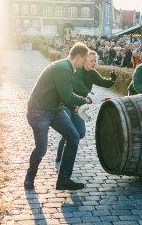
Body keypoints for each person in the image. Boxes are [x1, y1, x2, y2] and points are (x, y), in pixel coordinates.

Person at [25, 42, 93, 191]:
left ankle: (63, 179)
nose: (85, 62)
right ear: (78, 57)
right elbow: (68, 97)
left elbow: (64, 96)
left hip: (54, 109)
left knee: (74, 137)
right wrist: (85, 100)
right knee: (41, 149)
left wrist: (76, 106)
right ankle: (29, 178)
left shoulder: (66, 67)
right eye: (85, 59)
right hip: (39, 111)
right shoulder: (63, 68)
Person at [54, 51, 116, 170]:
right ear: (84, 61)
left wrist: (112, 80)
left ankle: (67, 140)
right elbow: (79, 85)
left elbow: (103, 82)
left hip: (79, 106)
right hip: (67, 104)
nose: (94, 63)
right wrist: (89, 94)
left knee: (80, 133)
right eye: (91, 61)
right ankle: (59, 158)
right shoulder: (79, 72)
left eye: (95, 61)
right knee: (70, 133)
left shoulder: (92, 73)